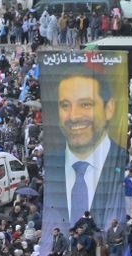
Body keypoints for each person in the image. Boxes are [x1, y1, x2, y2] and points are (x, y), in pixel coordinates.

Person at [40, 64, 127, 244]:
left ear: (109, 108)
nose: (73, 116)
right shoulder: (52, 166)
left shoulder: (122, 160)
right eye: (65, 105)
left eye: (85, 104)